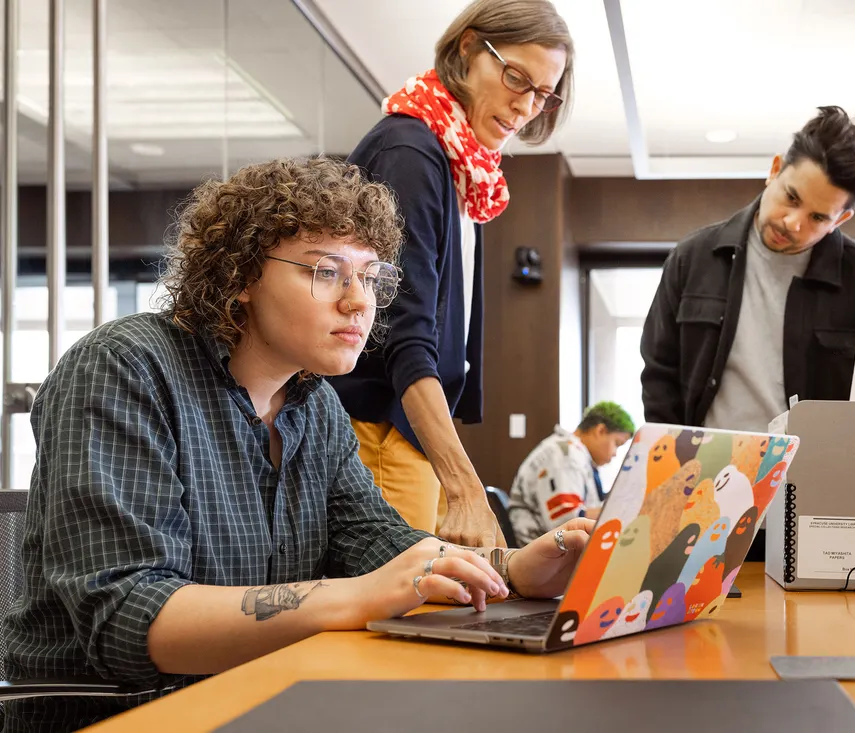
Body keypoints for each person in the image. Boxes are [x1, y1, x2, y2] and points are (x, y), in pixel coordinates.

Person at [0, 158, 592, 733]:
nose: (358, 301)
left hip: (263, 695)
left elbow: (377, 546)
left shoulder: (315, 405)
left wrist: (510, 571)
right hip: (117, 712)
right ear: (239, 277)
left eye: (370, 276)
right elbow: (129, 618)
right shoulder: (124, 368)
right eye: (325, 270)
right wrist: (353, 599)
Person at [327, 0, 575, 549]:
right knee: (401, 617)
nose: (526, 106)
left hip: (409, 429)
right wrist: (464, 486)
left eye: (542, 93)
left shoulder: (460, 162)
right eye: (516, 78)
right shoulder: (411, 152)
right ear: (467, 48)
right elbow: (404, 333)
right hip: (381, 427)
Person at [639, 106, 855, 556]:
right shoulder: (692, 260)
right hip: (706, 504)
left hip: (824, 512)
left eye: (818, 217)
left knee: (823, 630)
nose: (794, 223)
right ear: (775, 170)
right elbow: (659, 377)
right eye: (791, 198)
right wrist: (672, 482)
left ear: (842, 219)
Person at [508, 402, 636, 546]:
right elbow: (567, 522)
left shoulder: (573, 454)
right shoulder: (564, 456)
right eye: (617, 443)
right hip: (540, 551)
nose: (614, 454)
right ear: (600, 430)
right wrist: (620, 511)